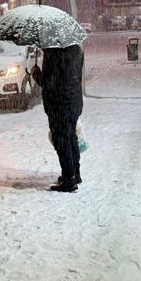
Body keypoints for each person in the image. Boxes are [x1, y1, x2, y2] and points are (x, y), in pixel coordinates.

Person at [32, 44, 84, 193]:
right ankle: (75, 174)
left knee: (62, 141)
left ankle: (69, 180)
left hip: (59, 105)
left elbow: (49, 82)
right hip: (74, 102)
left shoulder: (53, 53)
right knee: (71, 137)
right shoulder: (77, 50)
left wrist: (36, 74)